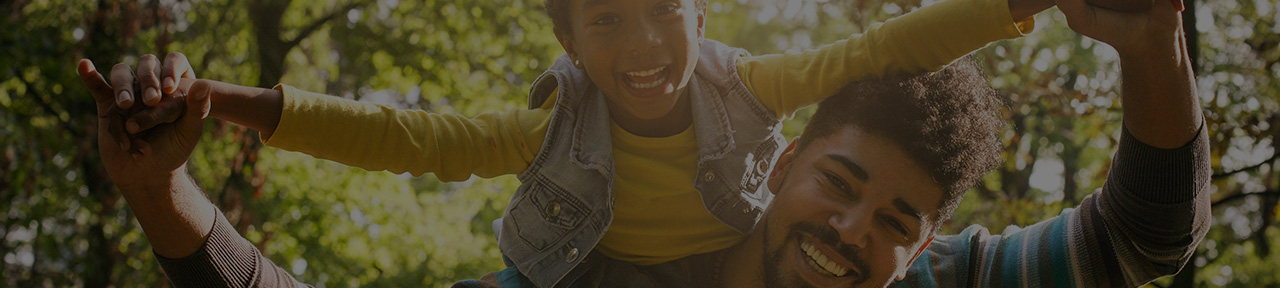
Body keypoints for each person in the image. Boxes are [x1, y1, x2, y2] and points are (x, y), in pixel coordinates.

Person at [92, 0, 1053, 286]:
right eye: (605, 20)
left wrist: (1021, 3)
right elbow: (414, 140)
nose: (640, 47)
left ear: (702, 11)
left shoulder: (751, 87)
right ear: (567, 41)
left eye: (662, 13)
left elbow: (886, 46)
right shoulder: (558, 124)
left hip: (715, 262)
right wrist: (230, 104)